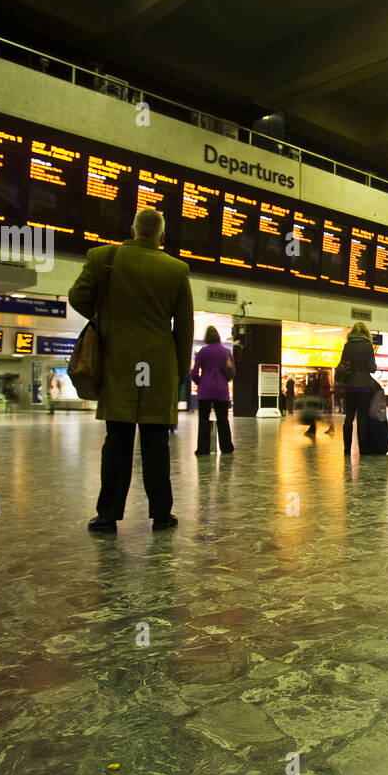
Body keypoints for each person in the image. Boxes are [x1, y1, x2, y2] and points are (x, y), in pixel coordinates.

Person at [68, 207, 193, 533]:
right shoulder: (176, 269)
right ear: (161, 236)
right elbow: (184, 326)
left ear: (133, 229)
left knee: (117, 440)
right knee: (156, 443)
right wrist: (181, 368)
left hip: (117, 361)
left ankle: (107, 515)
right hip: (158, 363)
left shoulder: (103, 258)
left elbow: (77, 296)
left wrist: (105, 317)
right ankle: (162, 515)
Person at [334, 322, 379, 454]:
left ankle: (347, 449)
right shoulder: (368, 346)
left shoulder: (347, 346)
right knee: (362, 417)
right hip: (364, 385)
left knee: (349, 416)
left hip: (349, 385)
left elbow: (343, 365)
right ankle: (363, 449)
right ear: (366, 332)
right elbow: (372, 368)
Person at [189, 326, 234, 456]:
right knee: (223, 419)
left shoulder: (203, 351)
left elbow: (193, 373)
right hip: (221, 389)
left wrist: (200, 382)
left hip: (205, 389)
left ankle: (203, 448)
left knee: (203, 419)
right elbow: (232, 372)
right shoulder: (226, 352)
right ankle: (226, 447)